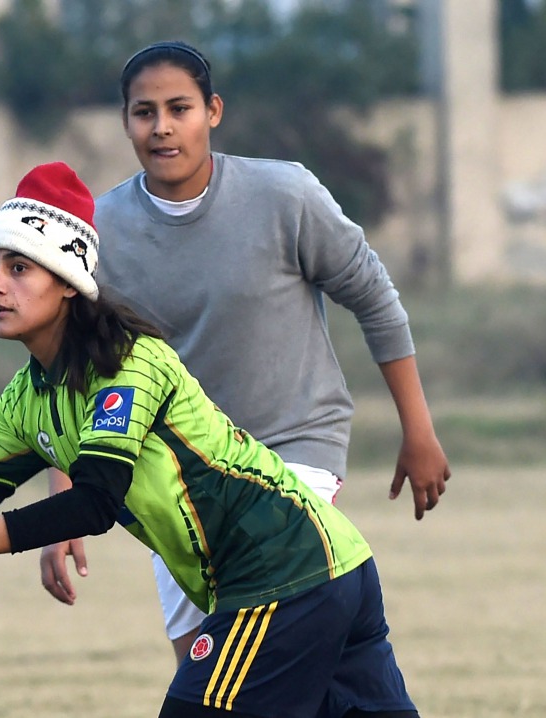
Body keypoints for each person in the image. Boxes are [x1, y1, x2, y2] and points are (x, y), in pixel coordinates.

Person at [0, 162, 422, 718]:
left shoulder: (129, 366)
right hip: (330, 567)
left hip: (285, 572)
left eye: (19, 267)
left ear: (67, 280)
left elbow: (95, 503)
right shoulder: (23, 403)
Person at [38, 40, 452, 661]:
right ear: (125, 123)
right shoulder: (100, 231)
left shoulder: (285, 196)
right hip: (179, 471)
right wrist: (63, 500)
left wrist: (418, 431)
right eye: (144, 112)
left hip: (295, 450)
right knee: (203, 663)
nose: (163, 127)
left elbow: (374, 299)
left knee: (253, 647)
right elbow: (77, 368)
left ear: (213, 112)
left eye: (180, 108)